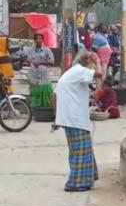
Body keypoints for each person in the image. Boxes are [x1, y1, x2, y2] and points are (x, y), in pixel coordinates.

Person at [54, 52, 103, 192]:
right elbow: (100, 74)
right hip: (74, 117)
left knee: (80, 150)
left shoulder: (71, 72)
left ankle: (85, 180)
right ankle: (75, 183)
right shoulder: (80, 71)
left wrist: (56, 117)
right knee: (81, 151)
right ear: (87, 61)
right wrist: (98, 61)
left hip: (69, 116)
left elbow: (55, 94)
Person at [21, 33, 55, 108]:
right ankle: (35, 108)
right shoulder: (29, 50)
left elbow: (52, 61)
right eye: (37, 38)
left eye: (40, 38)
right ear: (34, 40)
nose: (39, 40)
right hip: (33, 73)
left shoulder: (47, 50)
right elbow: (23, 57)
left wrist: (40, 63)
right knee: (34, 90)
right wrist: (27, 60)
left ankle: (47, 108)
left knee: (45, 90)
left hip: (44, 74)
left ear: (43, 40)